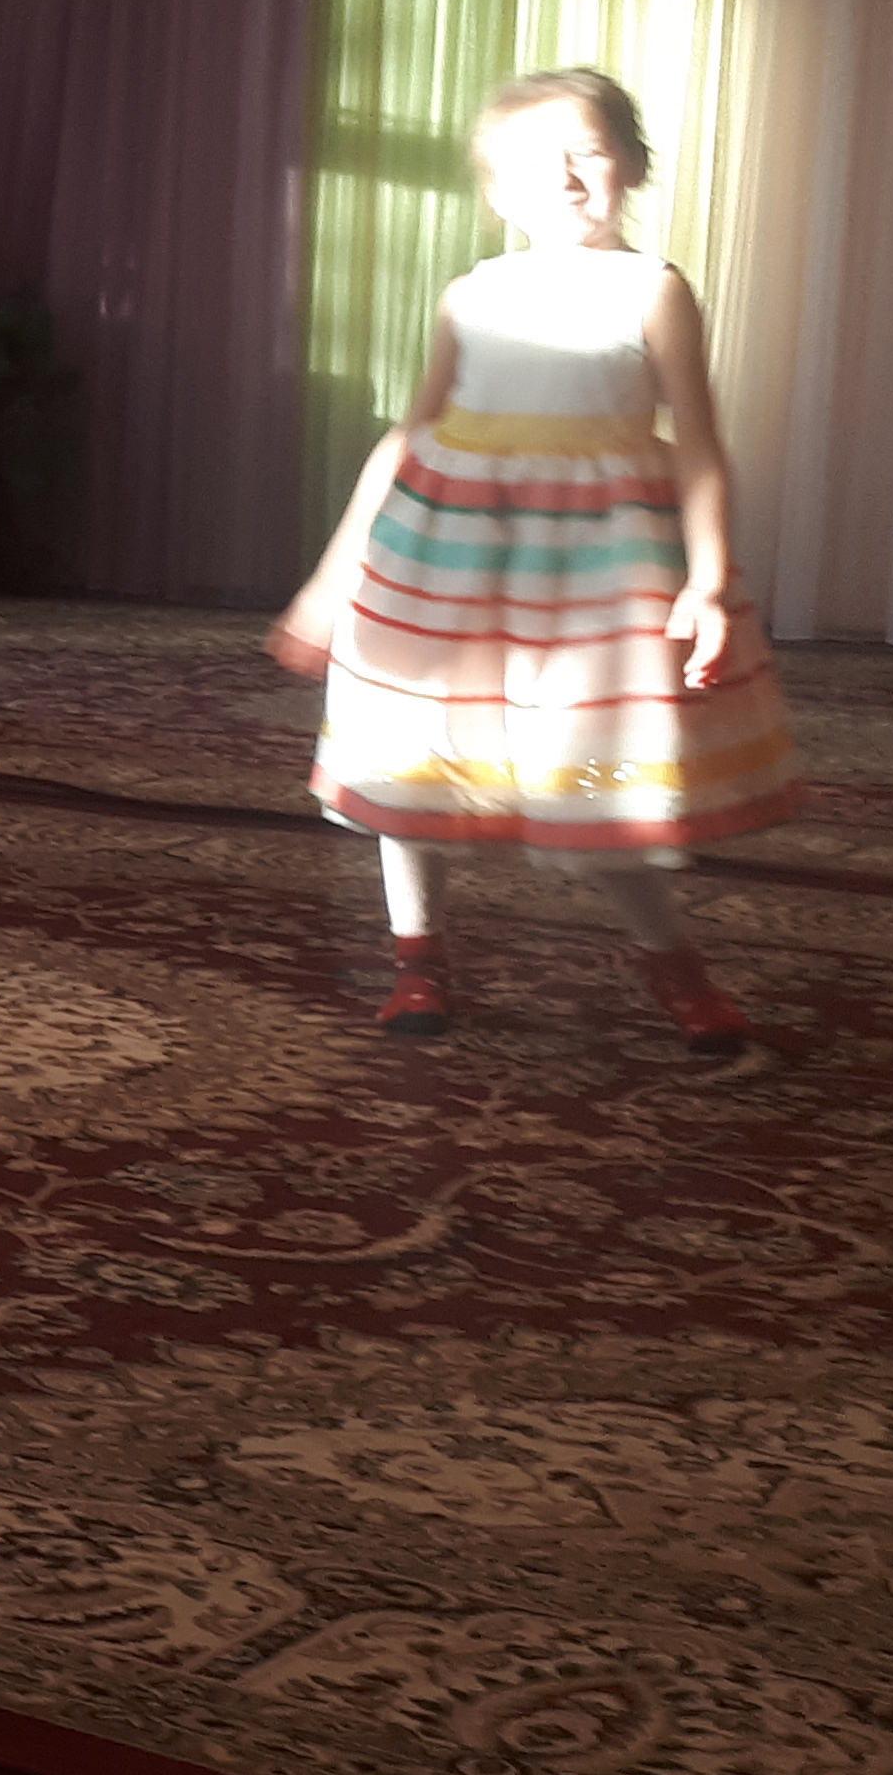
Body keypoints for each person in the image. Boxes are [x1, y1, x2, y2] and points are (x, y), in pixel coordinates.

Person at [270, 68, 800, 1053]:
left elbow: (699, 446)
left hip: (590, 575)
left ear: (632, 165)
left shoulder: (652, 289)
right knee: (417, 755)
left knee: (590, 772)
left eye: (586, 154)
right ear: (494, 191)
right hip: (447, 560)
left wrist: (708, 582)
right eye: (529, 164)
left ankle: (669, 959)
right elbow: (409, 434)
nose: (561, 180)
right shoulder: (473, 293)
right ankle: (418, 957)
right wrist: (329, 582)